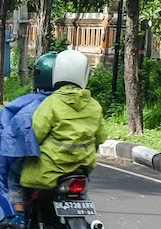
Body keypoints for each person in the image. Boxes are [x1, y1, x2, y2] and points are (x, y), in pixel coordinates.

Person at [0, 52, 57, 229]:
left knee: (8, 175)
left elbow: (10, 127)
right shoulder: (84, 104)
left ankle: (17, 216)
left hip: (38, 159)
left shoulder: (31, 103)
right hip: (76, 163)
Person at [18, 49, 107, 196]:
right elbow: (101, 137)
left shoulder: (51, 103)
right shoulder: (94, 105)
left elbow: (36, 134)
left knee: (16, 177)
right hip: (83, 166)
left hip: (51, 168)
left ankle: (18, 216)